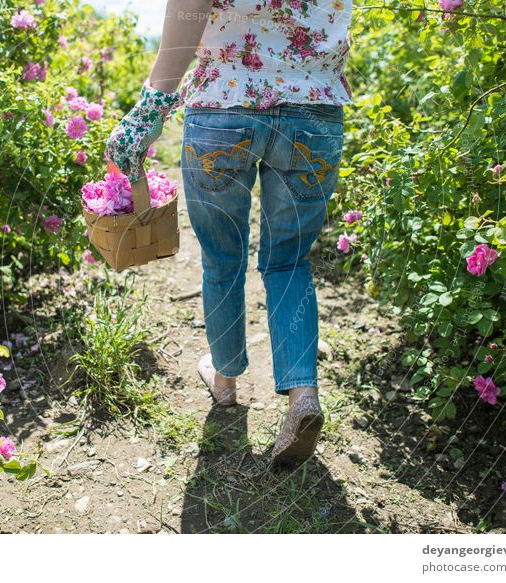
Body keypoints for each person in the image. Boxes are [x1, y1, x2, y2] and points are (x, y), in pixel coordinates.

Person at [105, 0, 353, 467]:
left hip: (224, 105)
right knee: (290, 259)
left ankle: (225, 383)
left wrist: (149, 108)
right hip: (315, 111)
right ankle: (302, 395)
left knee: (223, 257)